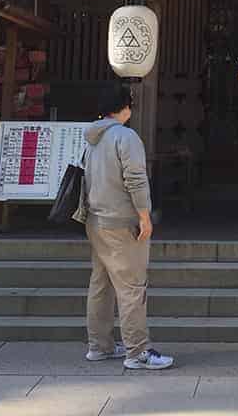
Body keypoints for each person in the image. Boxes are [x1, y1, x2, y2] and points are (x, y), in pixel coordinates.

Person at [81, 85, 174, 371]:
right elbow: (136, 179)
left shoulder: (92, 137)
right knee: (132, 287)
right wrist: (144, 216)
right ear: (124, 106)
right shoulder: (126, 137)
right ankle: (137, 351)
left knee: (101, 284)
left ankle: (99, 345)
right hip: (122, 222)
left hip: (95, 219)